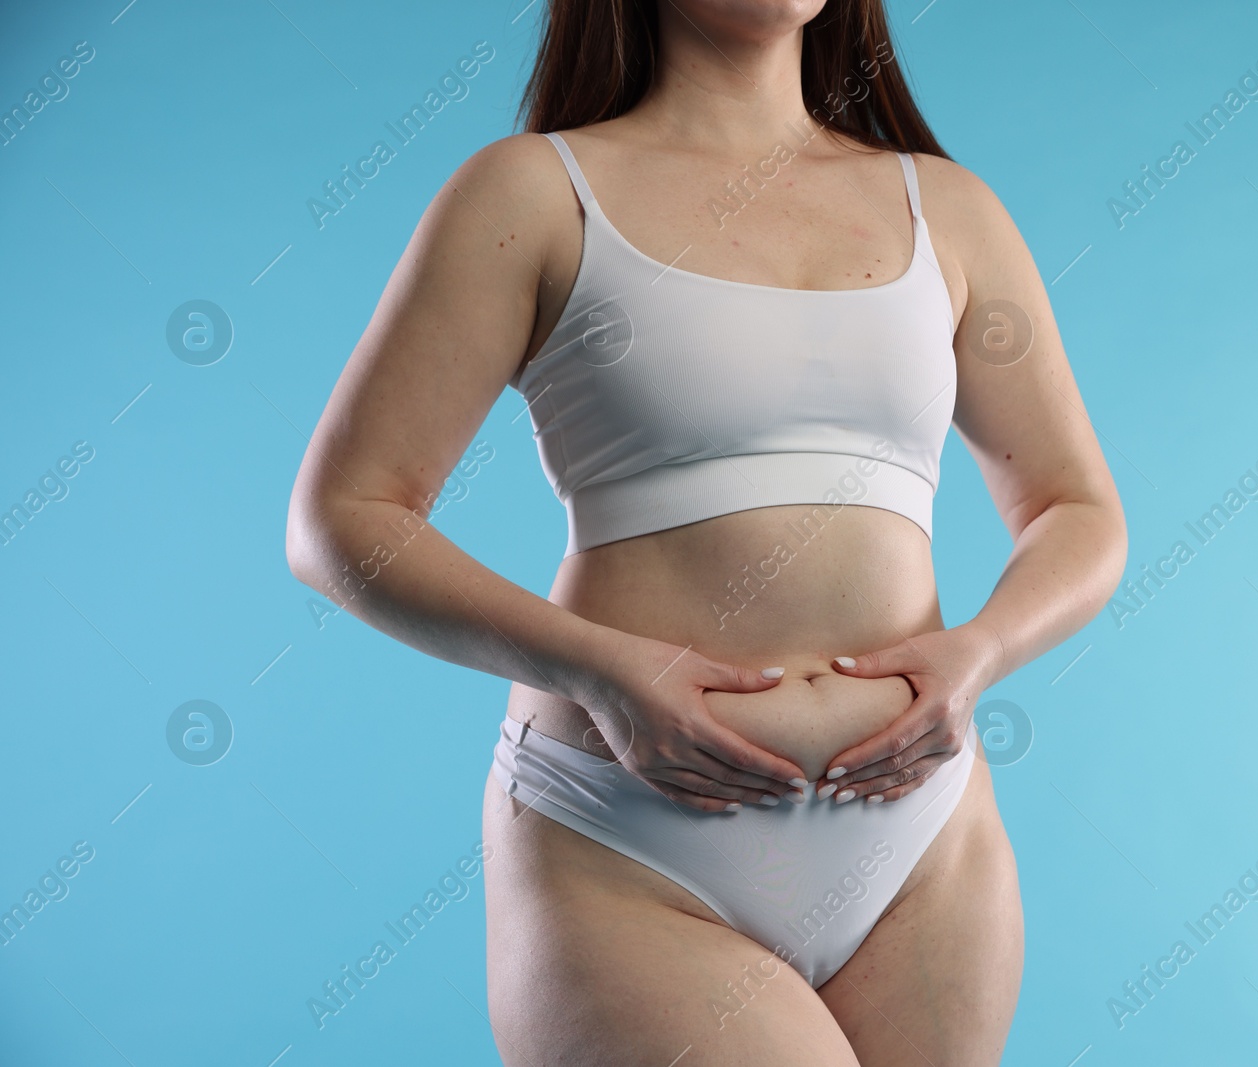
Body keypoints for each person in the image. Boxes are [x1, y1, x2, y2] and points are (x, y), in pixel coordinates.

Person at [285, 0, 1126, 1062]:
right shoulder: (535, 195)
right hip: (628, 848)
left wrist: (981, 651)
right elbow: (343, 518)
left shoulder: (946, 209)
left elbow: (1075, 508)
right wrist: (606, 672)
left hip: (922, 846)